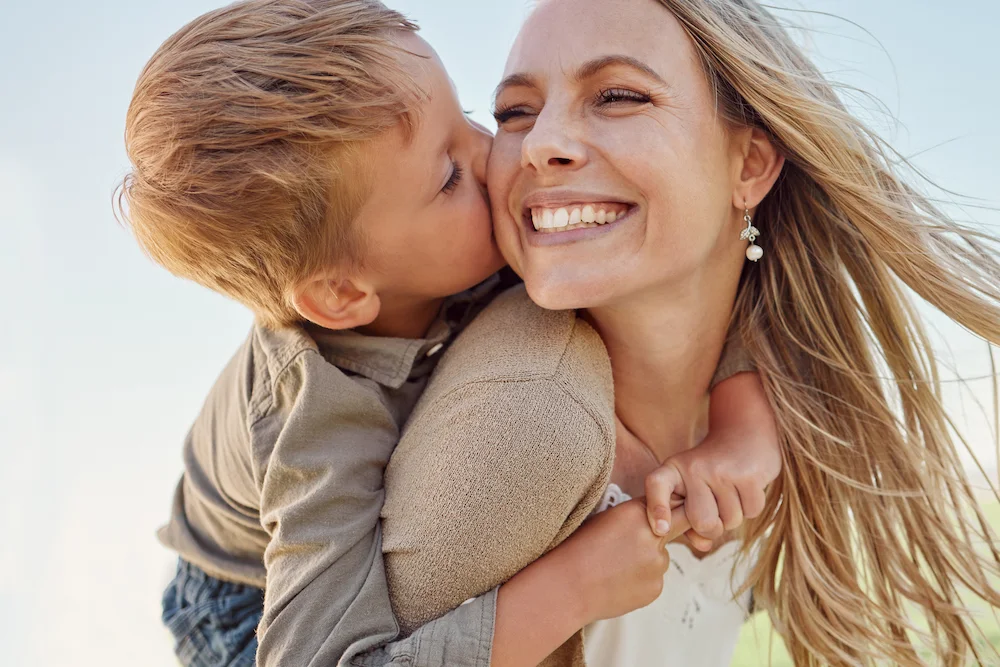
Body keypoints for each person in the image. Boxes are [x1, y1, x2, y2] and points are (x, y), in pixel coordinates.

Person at [116, 1, 780, 665]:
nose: (494, 157)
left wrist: (743, 426)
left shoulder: (427, 250)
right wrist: (568, 591)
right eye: (450, 175)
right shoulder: (316, 409)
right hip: (242, 605)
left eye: (470, 117)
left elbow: (695, 288)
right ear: (343, 294)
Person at [379, 0, 1000, 665]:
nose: (538, 143)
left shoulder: (767, 411)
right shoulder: (519, 426)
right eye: (514, 112)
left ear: (750, 165)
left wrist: (749, 419)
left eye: (617, 97)